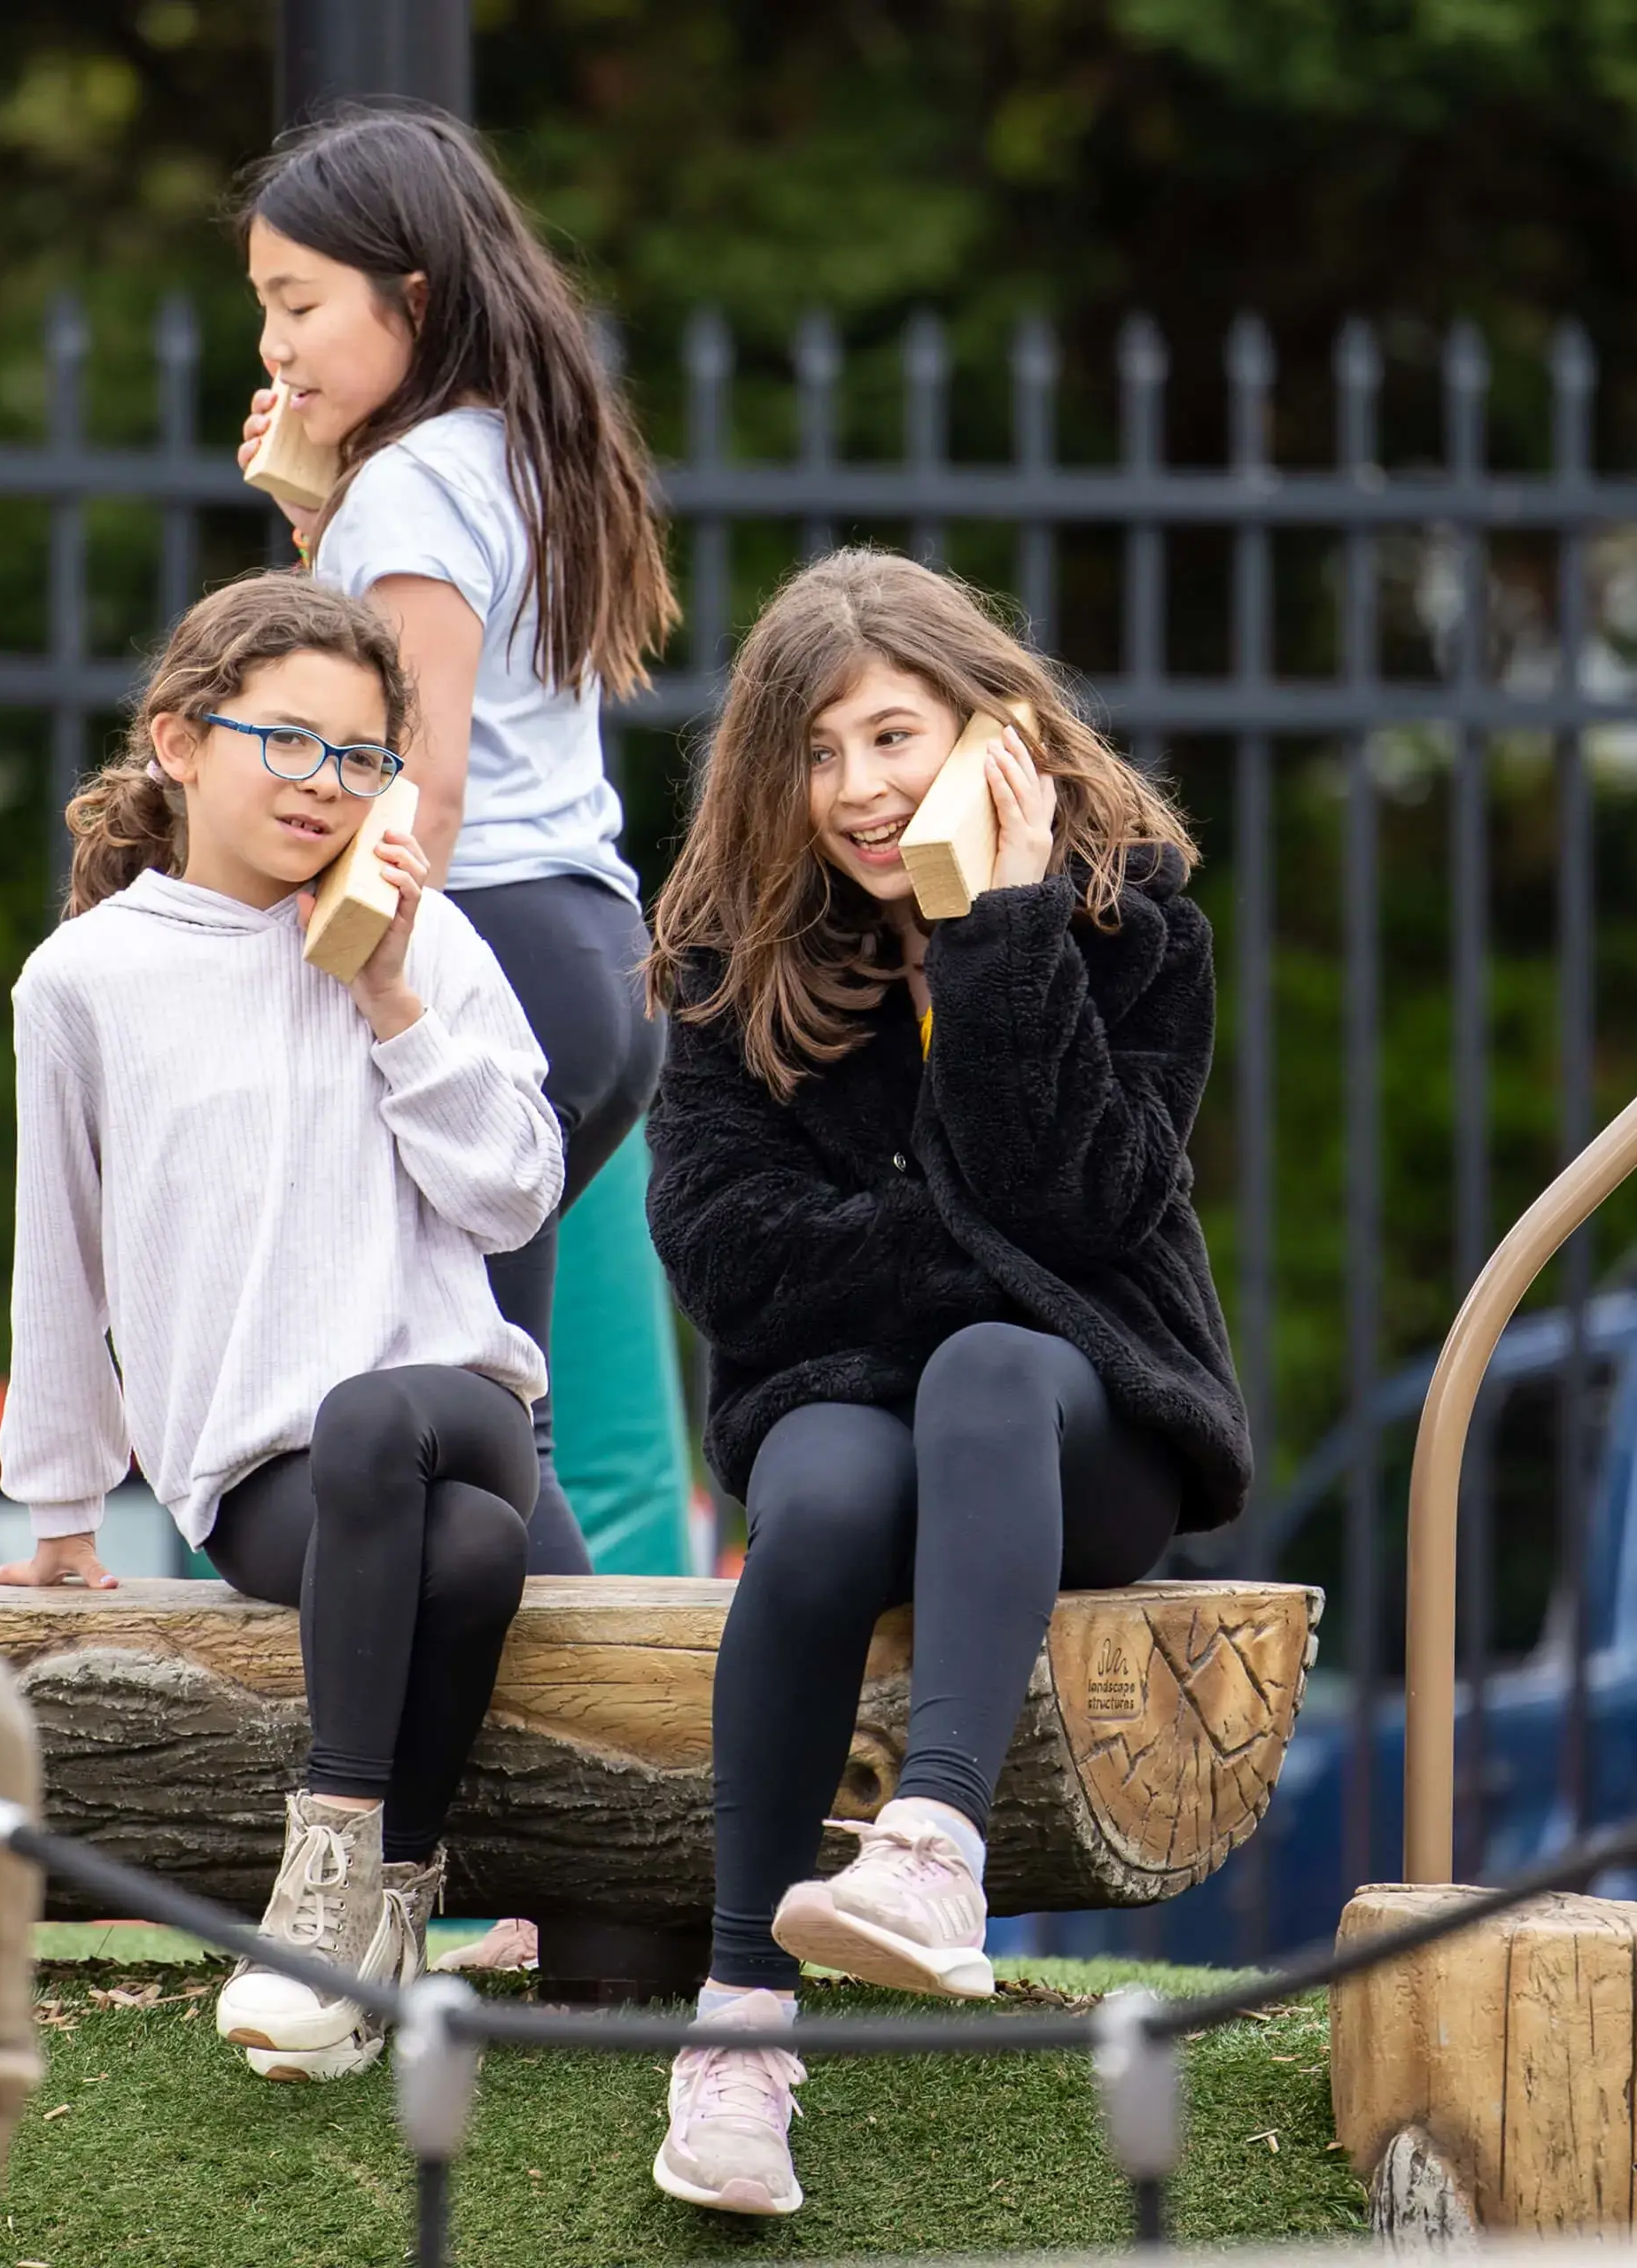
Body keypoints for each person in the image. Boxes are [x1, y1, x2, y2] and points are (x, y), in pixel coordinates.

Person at [640, 548, 1252, 2217]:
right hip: (835, 1400)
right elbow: (725, 1250)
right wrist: (955, 1244)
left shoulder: (1135, 933)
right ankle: (736, 2031)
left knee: (990, 1364)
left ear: (994, 730)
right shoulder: (725, 955)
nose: (854, 789)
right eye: (816, 753)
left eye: (893, 737)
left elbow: (1082, 1205)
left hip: (1085, 1427)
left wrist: (1002, 924)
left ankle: (932, 1854)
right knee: (826, 1501)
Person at [0, 573, 563, 2084]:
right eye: (289, 743)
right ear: (178, 741)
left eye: (362, 757)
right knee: (471, 1562)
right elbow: (63, 1255)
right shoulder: (85, 981)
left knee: (393, 1427)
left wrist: (386, 994)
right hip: (264, 1485)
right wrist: (58, 1514)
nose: (328, 786)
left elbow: (515, 1196)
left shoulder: (422, 946)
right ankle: (394, 1912)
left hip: (460, 1416)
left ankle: (320, 1890)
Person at [232, 103, 676, 1569]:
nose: (273, 350)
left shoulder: (417, 483)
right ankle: (576, 1761)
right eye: (261, 309)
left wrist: (356, 977)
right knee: (496, 1408)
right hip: (585, 952)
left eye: (297, 305)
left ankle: (611, 1775)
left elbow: (415, 784)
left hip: (491, 958)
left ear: (409, 296)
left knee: (476, 1417)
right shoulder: (511, 452)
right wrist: (314, 526)